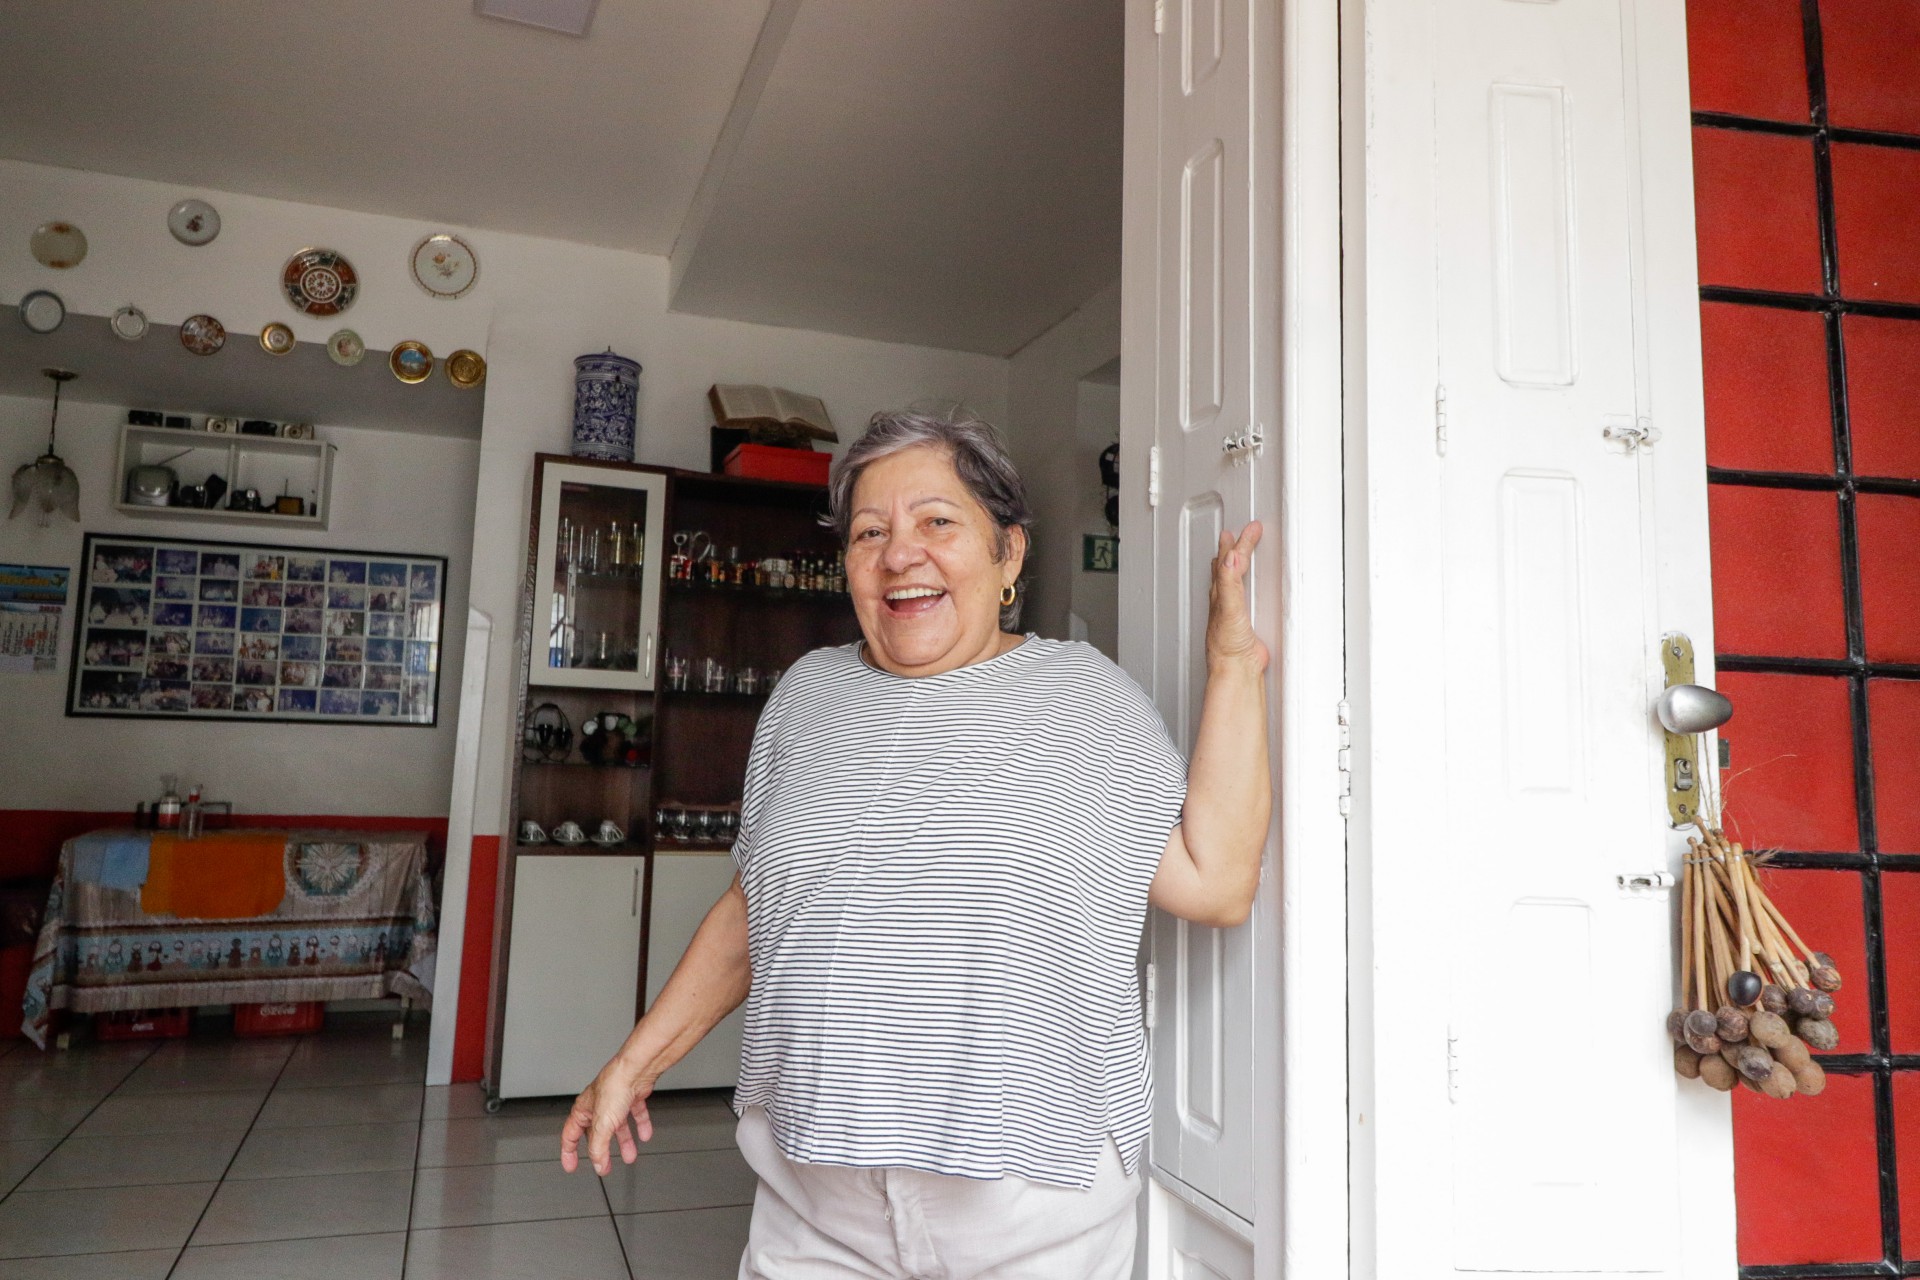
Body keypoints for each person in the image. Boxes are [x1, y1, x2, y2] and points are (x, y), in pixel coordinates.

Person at [561, 410, 1269, 1278]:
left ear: (1007, 553)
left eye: (938, 522)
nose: (901, 555)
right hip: (813, 1209)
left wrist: (1233, 665)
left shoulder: (1080, 698)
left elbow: (1216, 881)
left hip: (1026, 1214)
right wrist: (636, 1062)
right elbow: (759, 912)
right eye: (870, 533)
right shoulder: (806, 696)